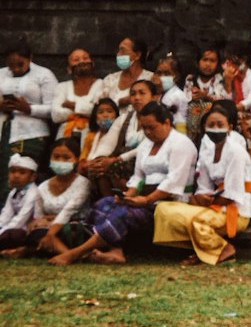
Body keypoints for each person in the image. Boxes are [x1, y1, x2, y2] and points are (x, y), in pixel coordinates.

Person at [51, 102, 197, 266]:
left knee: (123, 213)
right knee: (105, 204)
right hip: (146, 198)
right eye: (144, 128)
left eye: (152, 127)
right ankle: (116, 251)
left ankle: (76, 253)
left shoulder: (181, 144)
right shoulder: (146, 144)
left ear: (167, 123)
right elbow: (137, 176)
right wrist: (128, 196)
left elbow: (173, 181)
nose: (148, 132)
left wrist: (146, 200)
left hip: (170, 202)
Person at [154, 100, 251, 266]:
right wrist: (200, 198)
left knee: (198, 221)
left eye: (220, 124)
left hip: (235, 211)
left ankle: (224, 249)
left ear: (229, 127)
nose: (216, 128)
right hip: (213, 205)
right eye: (211, 125)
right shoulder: (208, 152)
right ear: (205, 129)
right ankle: (201, 247)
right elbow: (203, 187)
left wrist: (209, 202)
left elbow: (232, 194)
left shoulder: (236, 152)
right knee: (163, 209)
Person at [2, 137, 90, 259]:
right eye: (56, 157)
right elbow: (39, 217)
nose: (60, 161)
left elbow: (68, 211)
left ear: (76, 160)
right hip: (48, 228)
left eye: (66, 158)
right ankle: (62, 252)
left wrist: (51, 232)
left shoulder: (83, 183)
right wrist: (45, 222)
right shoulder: (42, 187)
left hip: (74, 226)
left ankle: (68, 255)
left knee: (68, 231)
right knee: (35, 232)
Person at [0, 40, 57, 185]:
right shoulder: (1, 74)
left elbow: (54, 109)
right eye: (11, 65)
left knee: (23, 176)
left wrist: (29, 109)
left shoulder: (44, 74)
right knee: (4, 178)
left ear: (30, 58)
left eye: (20, 64)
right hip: (4, 130)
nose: (16, 69)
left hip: (32, 133)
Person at [96, 78, 160, 194]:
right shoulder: (124, 119)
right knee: (99, 168)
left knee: (115, 166)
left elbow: (147, 147)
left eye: (142, 93)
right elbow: (107, 144)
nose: (137, 97)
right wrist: (100, 160)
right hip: (122, 165)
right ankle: (110, 202)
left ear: (155, 97)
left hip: (150, 163)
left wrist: (116, 160)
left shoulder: (162, 119)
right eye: (133, 94)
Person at [222, 45, 251, 160]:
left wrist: (235, 108)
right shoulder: (229, 76)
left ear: (244, 60)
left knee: (240, 118)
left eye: (236, 62)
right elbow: (227, 98)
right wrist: (228, 82)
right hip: (233, 112)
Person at [51, 47, 104, 141]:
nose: (82, 61)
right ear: (69, 69)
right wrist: (86, 110)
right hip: (64, 137)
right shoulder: (62, 87)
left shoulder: (102, 84)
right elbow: (56, 115)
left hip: (92, 137)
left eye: (85, 58)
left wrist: (73, 106)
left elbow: (99, 111)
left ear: (93, 64)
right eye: (76, 60)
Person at [183, 45, 227, 146]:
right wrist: (191, 97)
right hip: (193, 116)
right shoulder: (191, 79)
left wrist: (206, 96)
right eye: (205, 60)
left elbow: (222, 98)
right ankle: (191, 144)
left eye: (212, 61)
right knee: (193, 108)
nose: (208, 64)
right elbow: (185, 96)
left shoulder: (219, 79)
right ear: (198, 62)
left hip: (211, 113)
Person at [100, 36, 153, 108]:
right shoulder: (110, 79)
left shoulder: (150, 79)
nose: (118, 54)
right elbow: (99, 106)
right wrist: (119, 102)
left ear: (137, 55)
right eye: (118, 51)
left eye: (123, 51)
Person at [0, 154, 39, 251]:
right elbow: (5, 215)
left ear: (33, 177)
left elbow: (20, 220)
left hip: (27, 230)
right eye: (13, 171)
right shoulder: (13, 192)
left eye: (22, 172)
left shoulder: (33, 193)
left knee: (13, 234)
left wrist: (2, 232)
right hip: (12, 228)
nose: (16, 175)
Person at [154, 53, 188, 133]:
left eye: (167, 73)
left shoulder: (176, 95)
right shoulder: (160, 93)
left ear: (176, 77)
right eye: (159, 73)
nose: (162, 77)